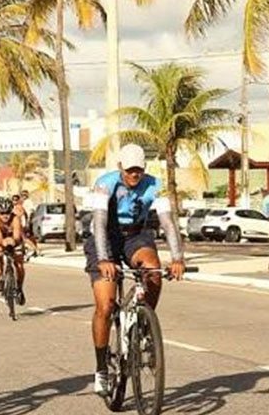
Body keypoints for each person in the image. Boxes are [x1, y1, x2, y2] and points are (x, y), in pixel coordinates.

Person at [84, 144, 185, 396]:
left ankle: (143, 324)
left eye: (138, 170)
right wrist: (104, 259)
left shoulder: (155, 185)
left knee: (153, 271)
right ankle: (101, 368)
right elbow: (99, 223)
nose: (134, 175)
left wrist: (177, 258)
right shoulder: (105, 184)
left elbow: (168, 223)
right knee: (106, 305)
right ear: (120, 167)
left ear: (144, 168)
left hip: (135, 236)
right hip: (105, 237)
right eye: (129, 170)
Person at [0, 196, 26, 305]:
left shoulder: (15, 219)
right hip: (1, 239)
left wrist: (13, 241)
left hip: (14, 240)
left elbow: (17, 236)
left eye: (7, 213)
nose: (5, 216)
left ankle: (19, 288)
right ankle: (1, 276)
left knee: (19, 264)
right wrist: (3, 243)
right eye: (2, 213)